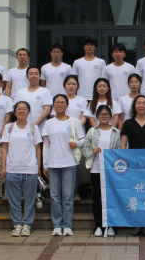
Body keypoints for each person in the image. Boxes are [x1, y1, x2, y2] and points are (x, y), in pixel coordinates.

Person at [43, 94, 86, 236]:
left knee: (67, 197)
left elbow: (83, 140)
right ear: (53, 105)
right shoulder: (49, 123)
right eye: (57, 102)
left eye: (62, 102)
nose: (60, 104)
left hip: (69, 163)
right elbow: (46, 145)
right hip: (53, 163)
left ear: (67, 105)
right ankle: (57, 225)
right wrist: (44, 164)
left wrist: (76, 144)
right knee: (55, 196)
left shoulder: (74, 122)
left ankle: (67, 225)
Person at [121, 95, 145, 236]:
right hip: (133, 166)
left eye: (144, 103)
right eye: (139, 103)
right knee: (135, 194)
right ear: (134, 106)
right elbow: (123, 145)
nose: (142, 106)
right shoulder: (127, 123)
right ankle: (137, 224)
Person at [1, 101, 43, 237]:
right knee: (14, 200)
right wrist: (3, 166)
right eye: (19, 109)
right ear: (15, 112)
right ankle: (17, 224)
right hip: (12, 169)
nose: (21, 111)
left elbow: (38, 148)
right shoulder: (8, 127)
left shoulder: (33, 128)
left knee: (30, 200)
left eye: (24, 109)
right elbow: (4, 148)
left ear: (28, 112)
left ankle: (27, 225)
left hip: (30, 169)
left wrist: (38, 167)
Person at [83, 105, 121, 237]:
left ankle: (111, 225)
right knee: (97, 199)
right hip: (96, 169)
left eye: (106, 114)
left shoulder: (116, 132)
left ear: (110, 116)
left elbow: (121, 150)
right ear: (97, 117)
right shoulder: (92, 132)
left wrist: (115, 152)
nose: (104, 116)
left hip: (112, 171)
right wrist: (93, 151)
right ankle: (99, 225)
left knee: (112, 198)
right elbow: (85, 149)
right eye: (101, 114)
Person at [50, 74, 88, 203]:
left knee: (75, 165)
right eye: (69, 84)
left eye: (74, 84)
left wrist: (74, 129)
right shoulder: (59, 99)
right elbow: (54, 116)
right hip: (60, 135)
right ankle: (60, 194)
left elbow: (84, 116)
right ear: (64, 85)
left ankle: (74, 191)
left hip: (77, 136)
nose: (71, 86)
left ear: (77, 86)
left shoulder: (82, 100)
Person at [14, 66, 53, 133]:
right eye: (31, 74)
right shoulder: (20, 92)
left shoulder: (45, 91)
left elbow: (46, 111)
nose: (33, 76)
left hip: (40, 130)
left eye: (36, 74)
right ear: (27, 76)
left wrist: (34, 126)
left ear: (40, 76)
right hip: (22, 130)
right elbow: (16, 110)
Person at [72, 37, 106, 101]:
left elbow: (103, 79)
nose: (89, 47)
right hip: (81, 94)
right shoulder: (77, 62)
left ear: (95, 47)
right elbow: (75, 78)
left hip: (97, 95)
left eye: (92, 45)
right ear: (84, 47)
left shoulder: (101, 62)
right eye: (87, 45)